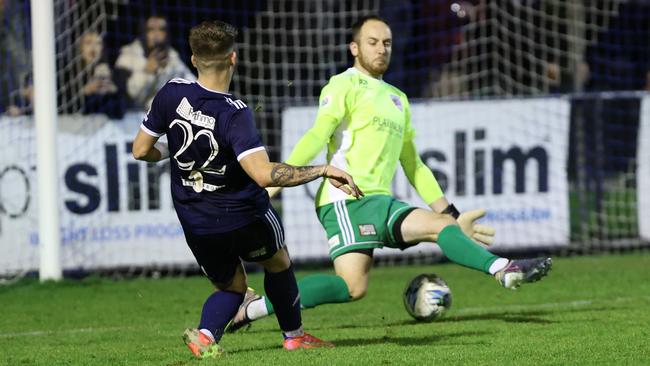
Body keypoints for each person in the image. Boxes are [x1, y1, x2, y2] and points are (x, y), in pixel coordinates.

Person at [227, 15, 552, 332]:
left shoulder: (398, 98)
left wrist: (452, 214)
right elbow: (316, 135)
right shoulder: (343, 84)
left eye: (387, 43)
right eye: (372, 42)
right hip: (345, 199)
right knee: (434, 230)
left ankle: (251, 308)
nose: (381, 49)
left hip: (377, 200)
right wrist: (272, 181)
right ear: (354, 48)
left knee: (352, 287)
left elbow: (414, 165)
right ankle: (503, 268)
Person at [131, 20, 364, 358]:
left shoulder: (171, 92)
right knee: (278, 262)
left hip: (196, 221)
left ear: (194, 59)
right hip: (244, 216)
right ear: (234, 59)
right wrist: (323, 169)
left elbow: (140, 150)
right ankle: (294, 335)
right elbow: (264, 175)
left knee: (233, 286)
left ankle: (207, 336)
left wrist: (171, 149)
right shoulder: (234, 113)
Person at [116, 14, 195, 110]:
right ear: (143, 32)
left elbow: (192, 84)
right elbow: (129, 98)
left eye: (161, 29)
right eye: (151, 29)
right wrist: (147, 73)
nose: (156, 34)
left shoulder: (172, 55)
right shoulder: (127, 55)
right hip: (133, 117)